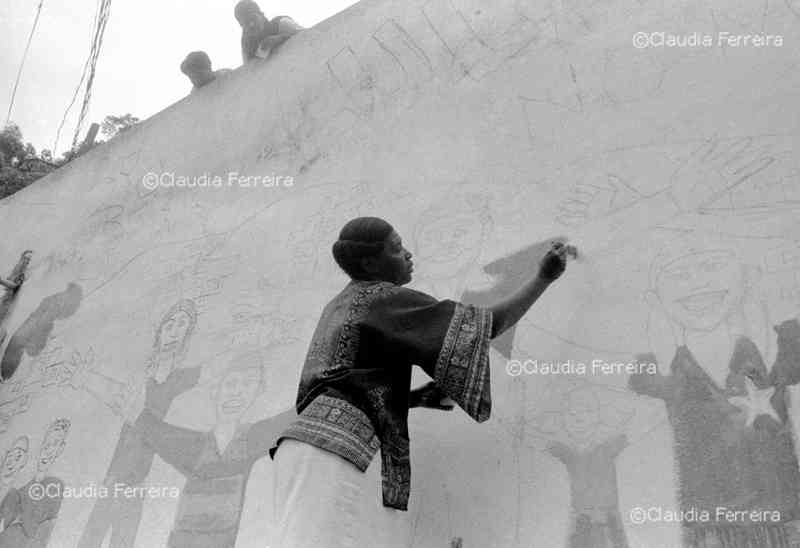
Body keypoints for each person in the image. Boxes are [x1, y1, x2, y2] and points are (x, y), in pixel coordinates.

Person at [270, 216, 573, 547]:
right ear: (371, 262)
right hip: (341, 449)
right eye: (397, 249)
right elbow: (482, 327)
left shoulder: (339, 304)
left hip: (300, 450)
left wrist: (411, 398)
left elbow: (345, 379)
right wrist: (543, 277)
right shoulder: (382, 297)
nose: (408, 255)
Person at [0, 419, 70, 548]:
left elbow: (37, 531)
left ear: (61, 449)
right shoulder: (18, 493)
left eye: (54, 444)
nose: (47, 450)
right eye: (46, 444)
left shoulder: (54, 486)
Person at [234, 0, 303, 63]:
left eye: (253, 18)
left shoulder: (280, 23)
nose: (251, 24)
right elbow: (247, 71)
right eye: (246, 23)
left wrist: (281, 38)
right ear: (242, 26)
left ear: (261, 15)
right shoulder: (247, 45)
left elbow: (309, 37)